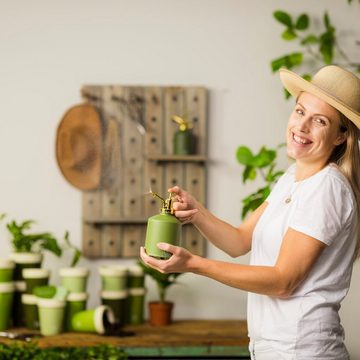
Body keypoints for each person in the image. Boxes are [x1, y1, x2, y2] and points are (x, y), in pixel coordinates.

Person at [140, 64, 360, 360]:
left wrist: (194, 264)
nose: (302, 126)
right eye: (299, 111)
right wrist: (197, 213)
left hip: (301, 350)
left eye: (319, 120)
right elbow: (240, 241)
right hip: (274, 348)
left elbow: (283, 281)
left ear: (340, 136)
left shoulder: (327, 188)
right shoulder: (292, 178)